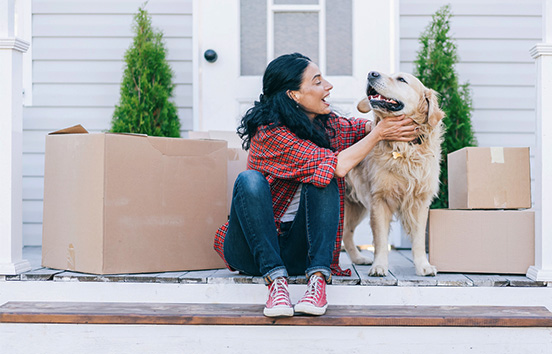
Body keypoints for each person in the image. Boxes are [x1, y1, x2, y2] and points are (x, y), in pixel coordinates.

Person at [214, 53, 418, 317]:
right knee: (250, 180)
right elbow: (339, 165)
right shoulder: (268, 133)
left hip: (299, 251)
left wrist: (401, 120)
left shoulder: (327, 125)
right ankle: (276, 283)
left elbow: (361, 129)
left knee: (324, 178)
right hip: (251, 251)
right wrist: (379, 134)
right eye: (318, 81)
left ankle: (317, 283)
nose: (328, 87)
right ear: (294, 95)